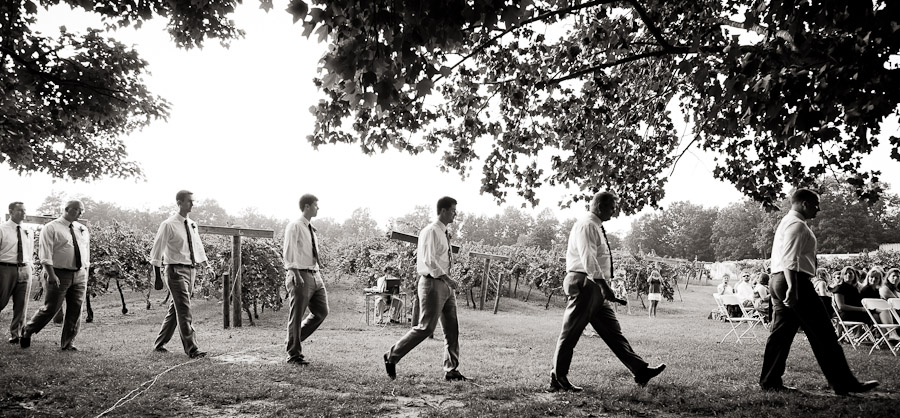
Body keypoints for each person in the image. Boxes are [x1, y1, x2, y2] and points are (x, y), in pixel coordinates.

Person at [759, 188, 877, 395]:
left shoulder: (786, 222)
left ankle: (770, 381)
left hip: (778, 280)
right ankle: (844, 383)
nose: (818, 209)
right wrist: (794, 288)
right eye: (815, 204)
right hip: (793, 281)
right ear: (804, 203)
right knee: (823, 334)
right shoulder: (796, 225)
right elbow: (790, 258)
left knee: (780, 334)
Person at [550, 191, 665, 392]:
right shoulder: (587, 225)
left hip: (594, 285)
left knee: (613, 332)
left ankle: (640, 370)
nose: (615, 211)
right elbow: (588, 259)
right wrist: (604, 286)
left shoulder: (595, 226)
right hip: (585, 282)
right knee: (571, 333)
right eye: (613, 207)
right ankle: (558, 378)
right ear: (599, 206)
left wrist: (603, 287)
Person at [384, 197, 466, 381]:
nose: (455, 214)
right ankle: (391, 356)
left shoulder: (444, 233)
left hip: (445, 285)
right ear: (443, 211)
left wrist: (448, 282)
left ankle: (451, 370)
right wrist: (447, 278)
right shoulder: (430, 231)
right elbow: (429, 260)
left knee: (452, 329)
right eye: (453, 210)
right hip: (432, 284)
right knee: (426, 328)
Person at [149, 190, 213, 359]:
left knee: (175, 309)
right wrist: (157, 277)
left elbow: (197, 246)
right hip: (175, 270)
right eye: (189, 201)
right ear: (179, 202)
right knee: (184, 309)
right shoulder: (168, 224)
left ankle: (159, 344)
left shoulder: (192, 224)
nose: (192, 204)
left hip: (191, 270)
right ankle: (192, 349)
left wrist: (206, 265)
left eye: (193, 201)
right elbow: (157, 251)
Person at [20, 200, 89, 351]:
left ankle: (68, 343)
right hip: (58, 273)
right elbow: (45, 253)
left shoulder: (82, 229)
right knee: (51, 308)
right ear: (67, 209)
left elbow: (85, 253)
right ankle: (28, 330)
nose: (80, 213)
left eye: (82, 210)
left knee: (76, 309)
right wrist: (51, 274)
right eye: (78, 209)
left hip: (79, 274)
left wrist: (85, 272)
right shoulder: (51, 228)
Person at [283, 194, 330, 365]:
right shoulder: (295, 226)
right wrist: (294, 273)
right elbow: (289, 251)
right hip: (300, 274)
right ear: (307, 206)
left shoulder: (310, 228)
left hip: (315, 274)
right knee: (296, 316)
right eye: (316, 205)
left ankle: (292, 340)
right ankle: (294, 354)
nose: (319, 208)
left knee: (322, 311)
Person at [0, 202, 33, 344]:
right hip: (5, 268)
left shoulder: (28, 231)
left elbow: (29, 251)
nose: (23, 213)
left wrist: (28, 266)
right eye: (20, 210)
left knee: (22, 303)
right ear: (11, 211)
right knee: (1, 300)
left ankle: (16, 334)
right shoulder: (2, 229)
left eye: (24, 211)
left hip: (24, 268)